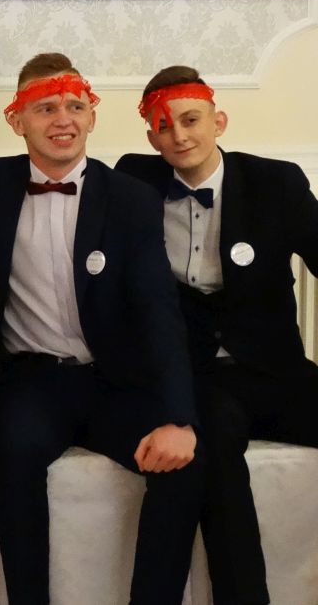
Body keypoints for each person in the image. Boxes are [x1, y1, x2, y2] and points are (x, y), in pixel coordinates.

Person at [0, 53, 204, 605]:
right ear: (16, 121)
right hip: (32, 380)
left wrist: (178, 417)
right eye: (45, 108)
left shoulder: (130, 199)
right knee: (13, 457)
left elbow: (159, 312)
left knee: (186, 466)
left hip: (114, 380)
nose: (62, 119)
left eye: (74, 105)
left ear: (92, 115)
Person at [116, 65, 318, 605]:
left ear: (218, 121)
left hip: (276, 369)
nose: (179, 136)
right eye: (164, 126)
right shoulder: (134, 183)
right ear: (151, 137)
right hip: (199, 378)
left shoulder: (276, 183)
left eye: (191, 120)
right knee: (216, 451)